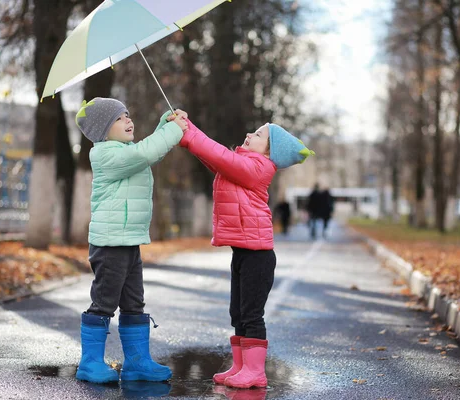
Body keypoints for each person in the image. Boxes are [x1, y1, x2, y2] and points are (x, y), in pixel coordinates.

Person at [173, 115, 314, 389]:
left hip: (258, 256)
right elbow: (216, 159)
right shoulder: (245, 164)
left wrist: (189, 134)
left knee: (251, 314)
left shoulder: (259, 168)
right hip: (243, 252)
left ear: (270, 152)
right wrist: (187, 131)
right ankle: (241, 366)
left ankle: (255, 371)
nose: (250, 134)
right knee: (237, 313)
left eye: (259, 135)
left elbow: (223, 158)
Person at [74, 97, 187, 383]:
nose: (129, 121)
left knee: (134, 302)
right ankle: (89, 363)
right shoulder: (105, 155)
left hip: (128, 241)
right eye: (120, 117)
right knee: (104, 302)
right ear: (103, 129)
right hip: (109, 245)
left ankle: (137, 363)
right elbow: (144, 155)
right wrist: (173, 132)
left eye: (128, 115)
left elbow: (150, 151)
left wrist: (166, 124)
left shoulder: (126, 150)